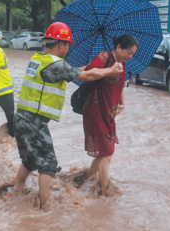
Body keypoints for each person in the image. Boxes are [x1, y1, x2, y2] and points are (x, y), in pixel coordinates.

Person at [12, 22, 124, 208]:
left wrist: (92, 66)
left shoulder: (38, 58)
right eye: (67, 44)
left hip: (22, 118)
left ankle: (16, 189)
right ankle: (45, 205)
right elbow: (86, 76)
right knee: (48, 165)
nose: (69, 48)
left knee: (30, 160)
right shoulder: (55, 65)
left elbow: (75, 71)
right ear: (60, 44)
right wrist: (110, 70)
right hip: (34, 121)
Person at [82, 34, 138, 196]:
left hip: (109, 111)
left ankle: (88, 180)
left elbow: (120, 85)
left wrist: (122, 103)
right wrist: (110, 70)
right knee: (107, 153)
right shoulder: (104, 57)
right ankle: (104, 193)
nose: (130, 56)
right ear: (118, 47)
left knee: (102, 152)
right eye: (129, 52)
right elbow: (89, 73)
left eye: (132, 54)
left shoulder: (122, 63)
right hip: (95, 110)